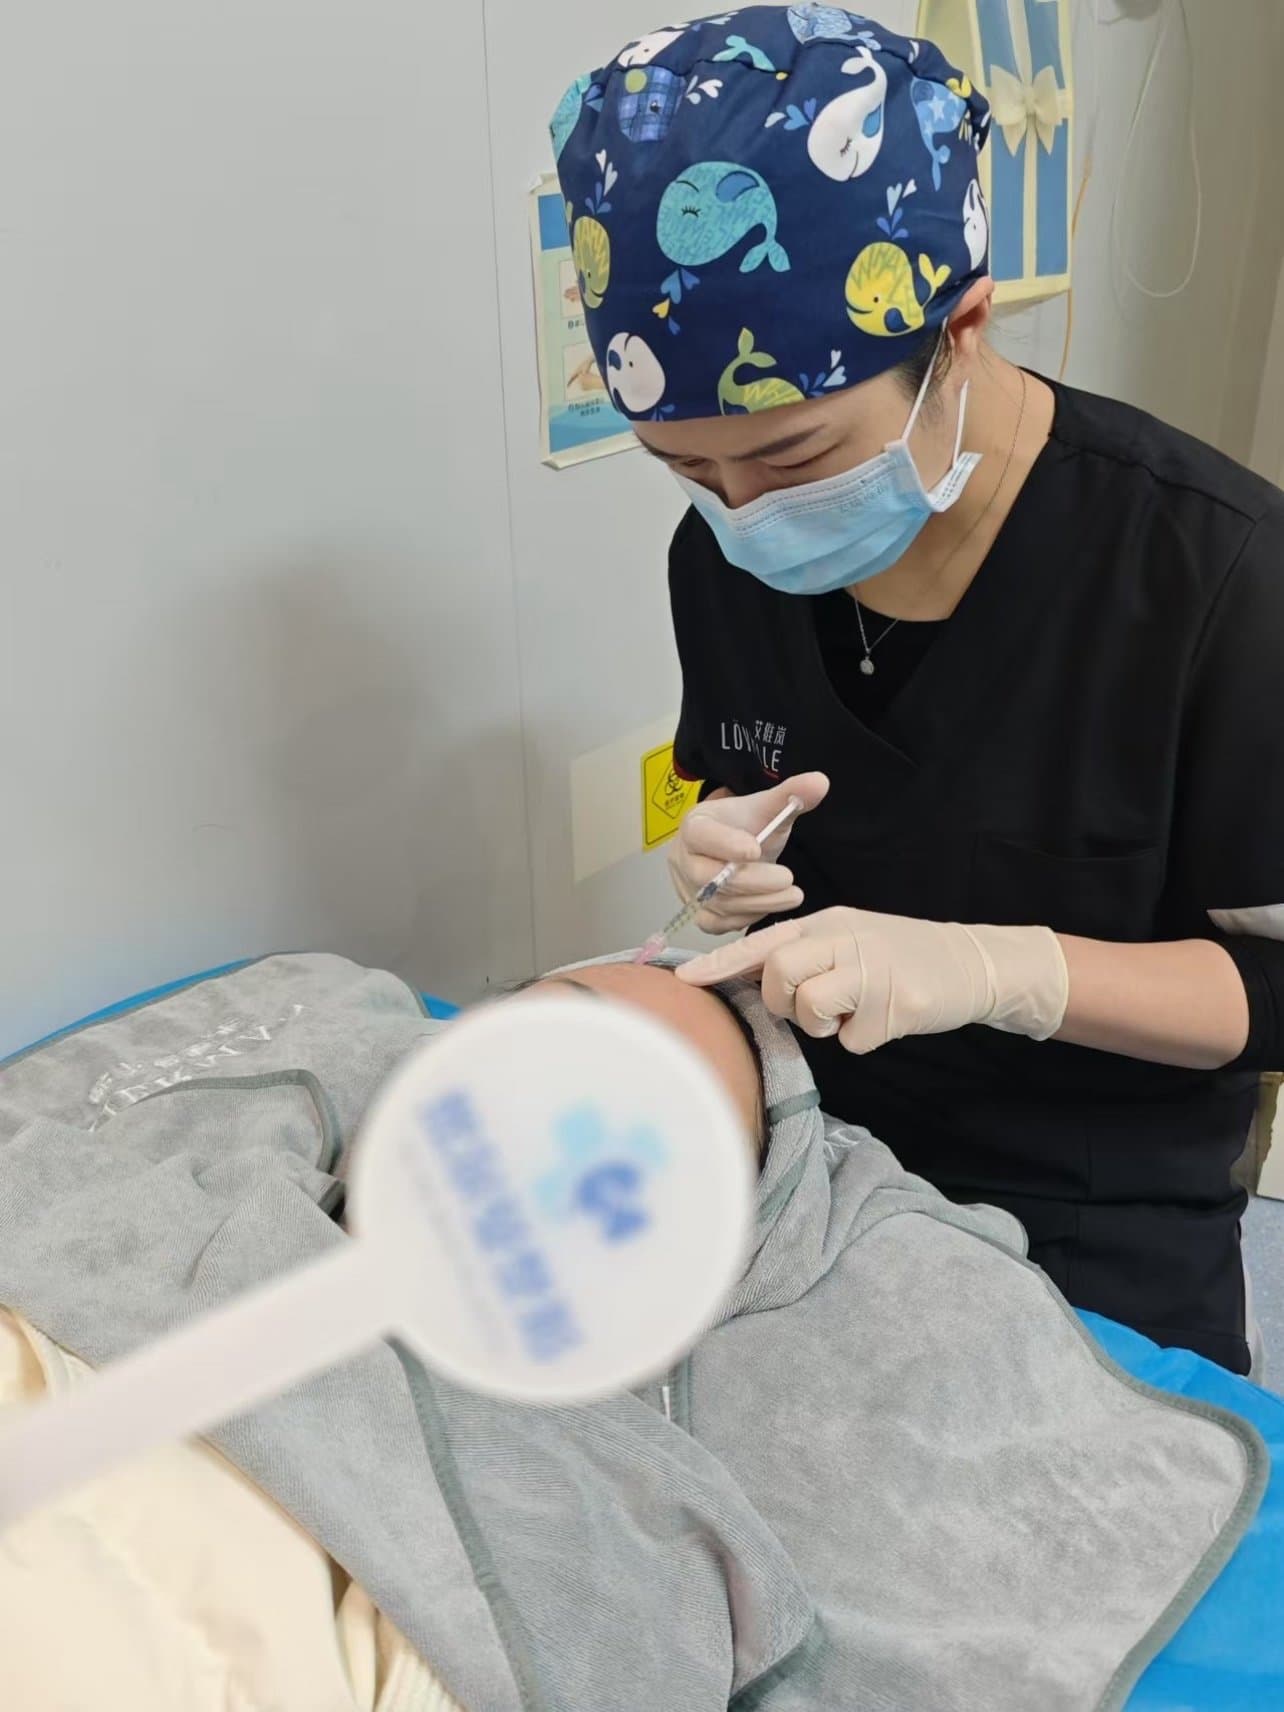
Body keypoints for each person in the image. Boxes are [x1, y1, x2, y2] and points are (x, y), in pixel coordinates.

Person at [552, 5, 1284, 1374]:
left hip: (1092, 1212)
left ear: (961, 330)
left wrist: (1004, 971)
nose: (744, 512)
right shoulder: (722, 557)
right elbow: (745, 778)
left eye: (793, 455)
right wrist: (720, 856)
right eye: (686, 469)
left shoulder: (1219, 576)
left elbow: (1275, 985)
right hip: (808, 1151)